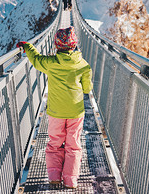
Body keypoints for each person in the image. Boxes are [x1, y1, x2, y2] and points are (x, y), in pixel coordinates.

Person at [16, 27, 92, 189]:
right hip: (76, 112)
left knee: (54, 144)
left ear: (57, 46)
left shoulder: (51, 63)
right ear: (75, 45)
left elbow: (36, 59)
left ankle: (54, 177)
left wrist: (28, 46)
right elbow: (86, 89)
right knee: (73, 145)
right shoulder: (84, 65)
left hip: (56, 112)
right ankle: (71, 180)